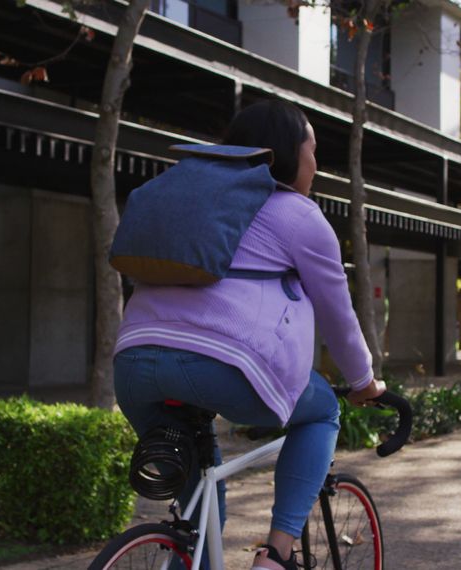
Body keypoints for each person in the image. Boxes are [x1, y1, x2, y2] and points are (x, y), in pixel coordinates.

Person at [113, 100, 385, 570]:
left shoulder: (192, 200)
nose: (317, 165)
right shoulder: (298, 215)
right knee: (320, 412)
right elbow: (338, 315)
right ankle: (276, 555)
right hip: (224, 365)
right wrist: (363, 381)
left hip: (133, 364)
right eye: (313, 151)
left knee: (202, 510)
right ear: (287, 155)